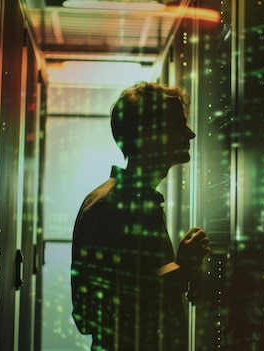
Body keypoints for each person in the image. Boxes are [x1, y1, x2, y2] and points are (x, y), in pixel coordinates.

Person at [71, 81, 211, 351]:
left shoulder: (136, 204)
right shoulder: (108, 208)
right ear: (149, 134)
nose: (190, 134)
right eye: (177, 126)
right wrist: (181, 271)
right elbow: (89, 316)